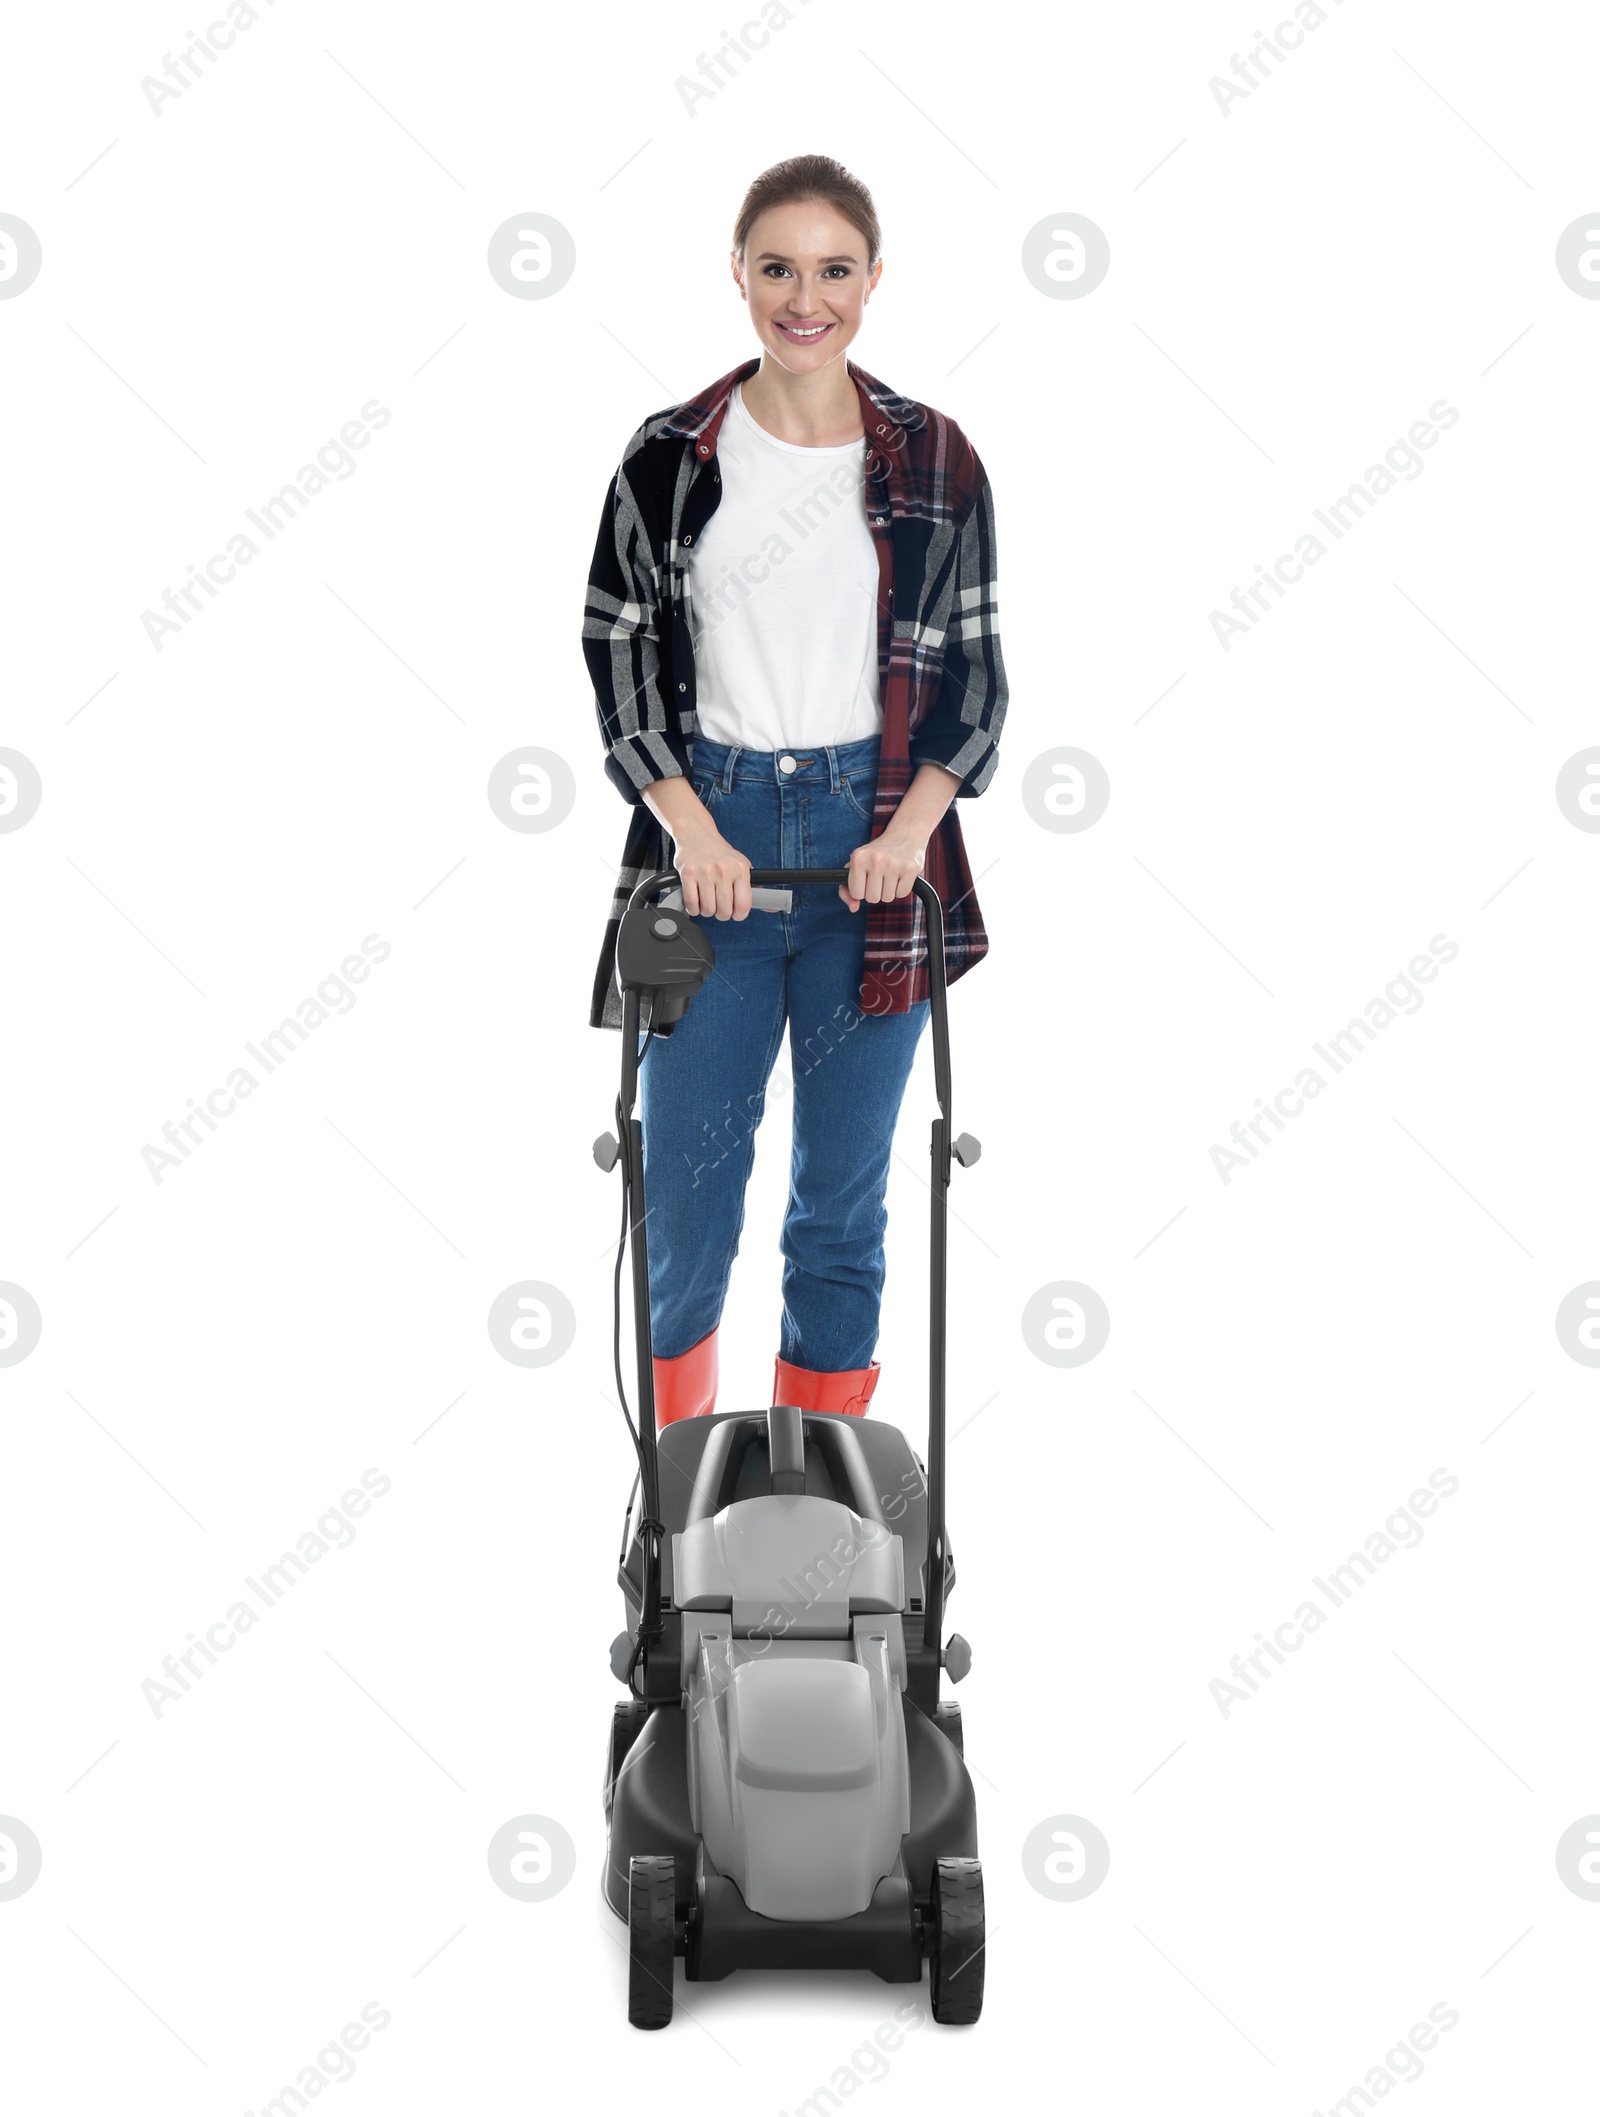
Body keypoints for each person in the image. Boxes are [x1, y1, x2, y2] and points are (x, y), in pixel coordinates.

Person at [582, 152, 1008, 1427]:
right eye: (778, 268)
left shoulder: (936, 459)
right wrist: (690, 824)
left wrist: (907, 835)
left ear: (873, 279)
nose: (804, 296)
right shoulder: (668, 457)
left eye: (833, 269)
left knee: (843, 1194)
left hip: (870, 855)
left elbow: (976, 681)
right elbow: (615, 653)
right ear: (739, 274)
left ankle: (819, 1492)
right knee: (692, 1188)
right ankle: (679, 1499)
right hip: (711, 845)